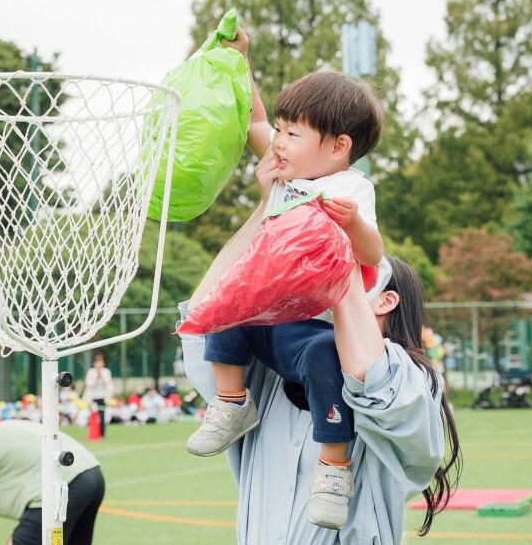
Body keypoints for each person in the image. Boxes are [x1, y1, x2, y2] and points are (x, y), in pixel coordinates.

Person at [186, 27, 386, 529]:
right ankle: (233, 403)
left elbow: (373, 253)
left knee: (324, 357)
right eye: (281, 129)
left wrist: (354, 224)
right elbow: (255, 120)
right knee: (228, 302)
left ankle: (334, 469)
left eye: (293, 133)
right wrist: (239, 61)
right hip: (264, 319)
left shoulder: (349, 188)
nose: (278, 141)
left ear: (339, 146)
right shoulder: (283, 175)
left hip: (310, 327)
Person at [180, 253, 460, 543]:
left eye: (350, 278)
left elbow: (367, 370)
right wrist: (265, 213)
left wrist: (345, 245)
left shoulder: (408, 382)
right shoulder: (267, 377)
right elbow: (210, 309)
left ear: (385, 301)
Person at [82, 352, 114, 438]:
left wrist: (102, 376)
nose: (99, 364)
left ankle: (102, 433)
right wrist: (96, 376)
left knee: (102, 416)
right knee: (93, 415)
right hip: (93, 398)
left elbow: (109, 384)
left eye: (100, 362)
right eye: (97, 362)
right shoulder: (91, 372)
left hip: (103, 398)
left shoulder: (106, 372)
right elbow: (89, 384)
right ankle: (93, 432)